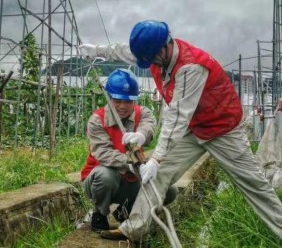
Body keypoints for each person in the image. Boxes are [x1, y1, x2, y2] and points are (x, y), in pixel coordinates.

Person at [79, 20, 282, 242]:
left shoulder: (191, 67)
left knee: (253, 184)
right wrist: (98, 51)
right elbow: (126, 52)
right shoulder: (154, 53)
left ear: (164, 47)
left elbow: (177, 116)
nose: (150, 64)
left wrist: (156, 158)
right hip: (194, 127)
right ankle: (134, 229)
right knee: (158, 176)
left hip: (223, 130)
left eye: (151, 59)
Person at [81, 68, 178, 233]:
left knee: (169, 191)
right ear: (110, 98)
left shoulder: (143, 113)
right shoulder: (97, 120)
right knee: (106, 175)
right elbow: (103, 153)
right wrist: (131, 163)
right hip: (102, 181)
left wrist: (140, 135)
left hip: (130, 179)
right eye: (117, 101)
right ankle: (100, 213)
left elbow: (149, 127)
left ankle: (127, 210)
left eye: (128, 101)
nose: (123, 106)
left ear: (135, 100)